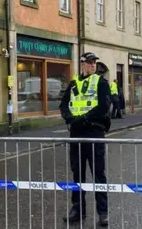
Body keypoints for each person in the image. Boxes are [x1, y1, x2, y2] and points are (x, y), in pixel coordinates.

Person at [59, 52, 111, 226]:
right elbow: (64, 104)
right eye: (89, 63)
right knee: (77, 174)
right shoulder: (73, 83)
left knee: (98, 174)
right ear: (82, 64)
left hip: (94, 132)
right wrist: (69, 120)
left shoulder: (101, 82)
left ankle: (102, 212)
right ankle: (78, 209)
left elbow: (104, 106)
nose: (92, 65)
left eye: (94, 62)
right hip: (76, 133)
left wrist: (84, 118)